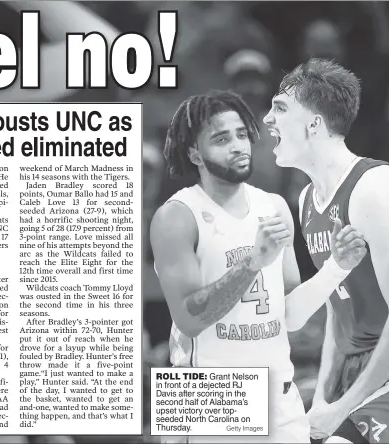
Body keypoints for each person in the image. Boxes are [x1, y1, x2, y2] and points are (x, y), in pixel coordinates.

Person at [150, 90, 367, 443]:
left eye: (241, 134)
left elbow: (291, 316)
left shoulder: (275, 207)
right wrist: (252, 263)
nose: (238, 145)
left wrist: (335, 268)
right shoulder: (176, 217)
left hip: (279, 394)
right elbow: (189, 319)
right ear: (194, 154)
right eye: (221, 139)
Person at [263, 57, 389, 444]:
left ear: (313, 124)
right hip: (359, 372)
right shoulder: (307, 199)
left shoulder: (376, 186)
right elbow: (338, 314)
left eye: (280, 108)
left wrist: (343, 409)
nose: (268, 120)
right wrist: (324, 397)